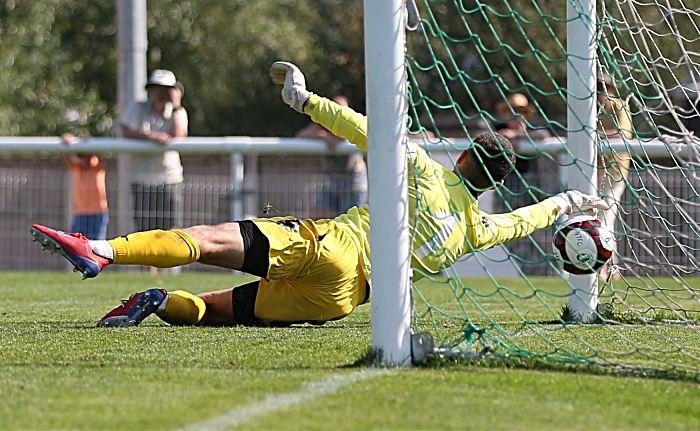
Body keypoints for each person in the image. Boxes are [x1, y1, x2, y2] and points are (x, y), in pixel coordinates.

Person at [29, 61, 608, 328]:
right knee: (216, 310)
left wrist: (305, 100)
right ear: (495, 185)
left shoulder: (424, 169)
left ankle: (100, 250)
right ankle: (161, 302)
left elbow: (364, 129)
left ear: (462, 158)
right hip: (342, 299)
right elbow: (524, 220)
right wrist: (572, 203)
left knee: (204, 241)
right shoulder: (478, 228)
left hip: (328, 246)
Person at [118, 69, 187, 273]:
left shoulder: (179, 112)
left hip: (169, 178)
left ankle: (164, 272)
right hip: (142, 178)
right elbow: (124, 130)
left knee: (169, 229)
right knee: (144, 229)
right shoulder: (138, 108)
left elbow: (178, 135)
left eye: (166, 89)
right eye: (156, 88)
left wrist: (175, 106)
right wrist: (150, 136)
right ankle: (149, 273)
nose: (160, 93)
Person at [295, 95, 368, 218]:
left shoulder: (353, 126)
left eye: (343, 109)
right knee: (313, 219)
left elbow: (345, 136)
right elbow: (300, 135)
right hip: (331, 185)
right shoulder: (321, 127)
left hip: (354, 186)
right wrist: (323, 136)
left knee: (351, 224)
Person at [596, 75, 634, 280]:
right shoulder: (591, 110)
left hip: (614, 172)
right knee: (595, 219)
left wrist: (594, 134)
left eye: (605, 88)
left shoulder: (619, 106)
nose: (601, 92)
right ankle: (608, 265)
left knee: (605, 217)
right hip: (594, 171)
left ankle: (609, 266)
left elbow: (623, 135)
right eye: (598, 88)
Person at [60, 133, 109, 240]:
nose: (83, 159)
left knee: (96, 246)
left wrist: (89, 142)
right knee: (73, 243)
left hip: (98, 212)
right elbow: (65, 154)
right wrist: (67, 139)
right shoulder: (77, 166)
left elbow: (100, 154)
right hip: (80, 212)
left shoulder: (96, 165)